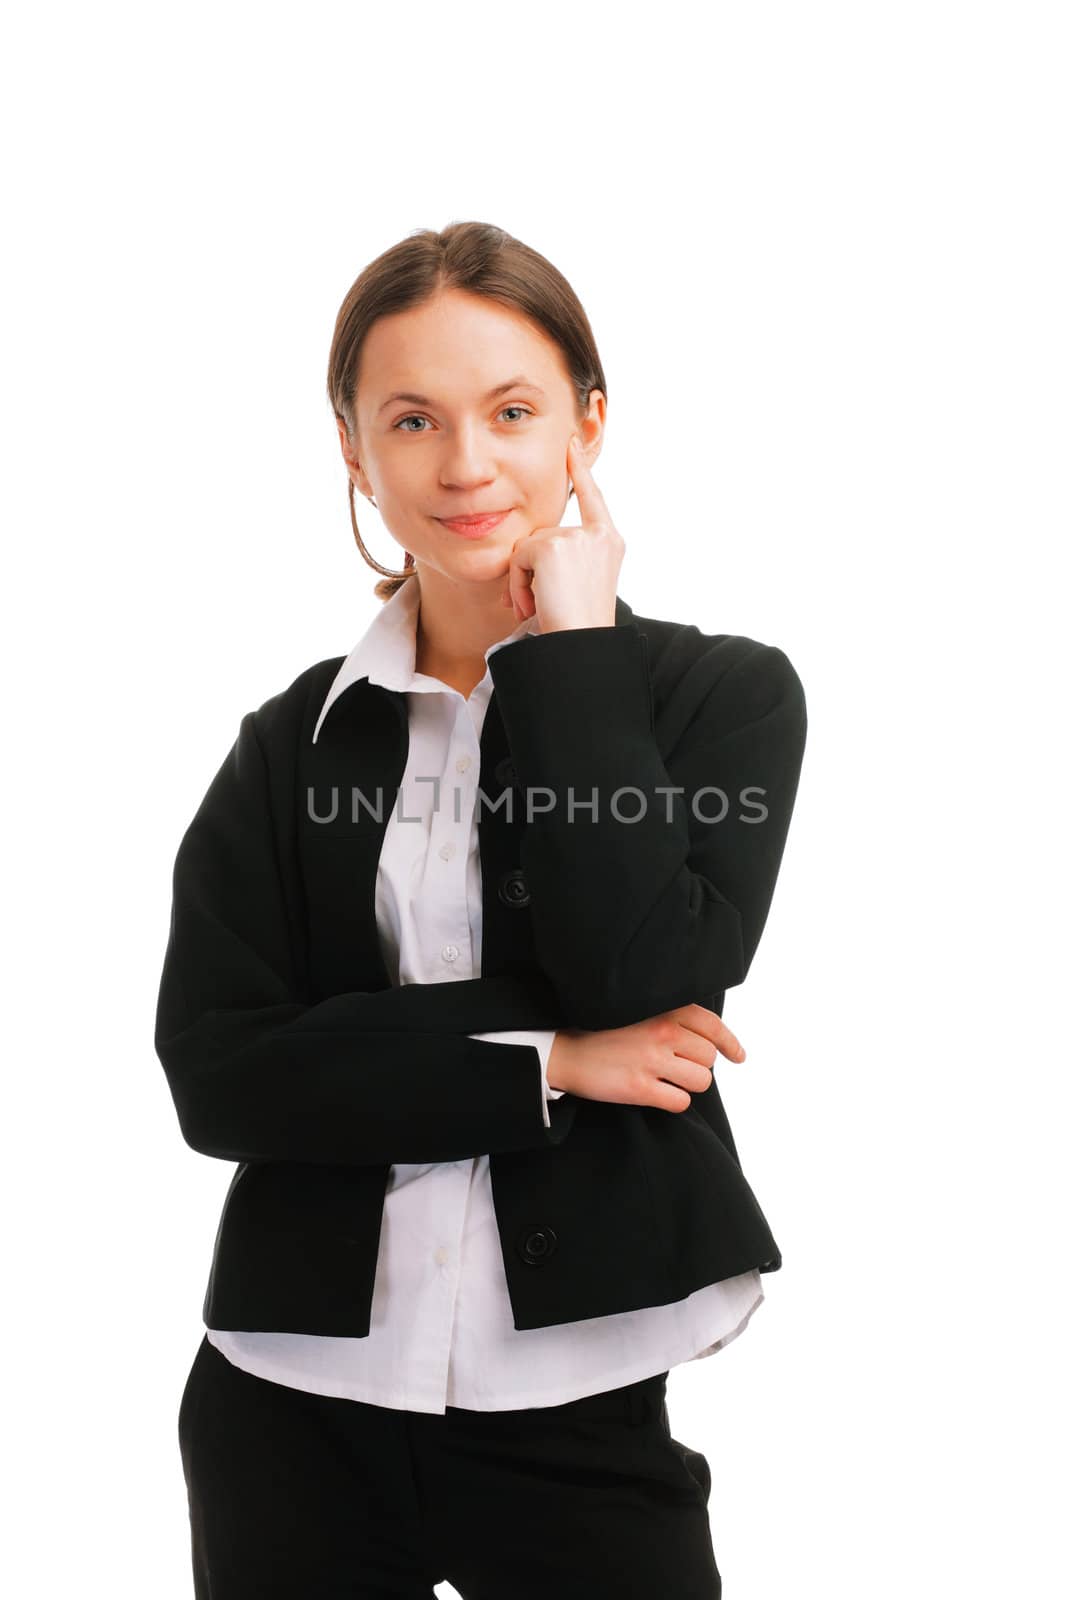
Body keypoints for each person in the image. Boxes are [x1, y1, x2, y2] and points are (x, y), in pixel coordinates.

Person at [157, 219, 808, 1598]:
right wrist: (554, 1062)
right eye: (412, 419)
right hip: (285, 1404)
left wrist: (569, 655)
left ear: (588, 426)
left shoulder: (723, 699)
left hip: (580, 1411)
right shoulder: (287, 747)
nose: (464, 465)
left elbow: (641, 972)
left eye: (512, 412)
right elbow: (222, 1079)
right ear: (355, 450)